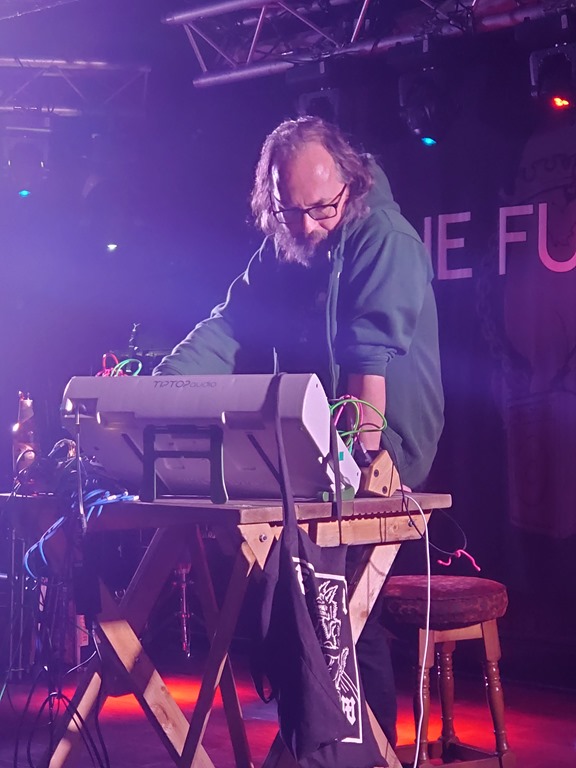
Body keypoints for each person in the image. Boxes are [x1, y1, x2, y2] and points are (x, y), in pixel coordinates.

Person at [154, 116, 444, 746]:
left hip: (385, 442)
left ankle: (361, 752)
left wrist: (364, 467)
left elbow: (368, 370)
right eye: (291, 212)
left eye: (322, 209)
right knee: (307, 603)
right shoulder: (289, 242)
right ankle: (320, 743)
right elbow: (229, 326)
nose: (309, 226)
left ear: (351, 183)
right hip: (314, 446)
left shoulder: (385, 238)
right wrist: (159, 389)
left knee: (343, 608)